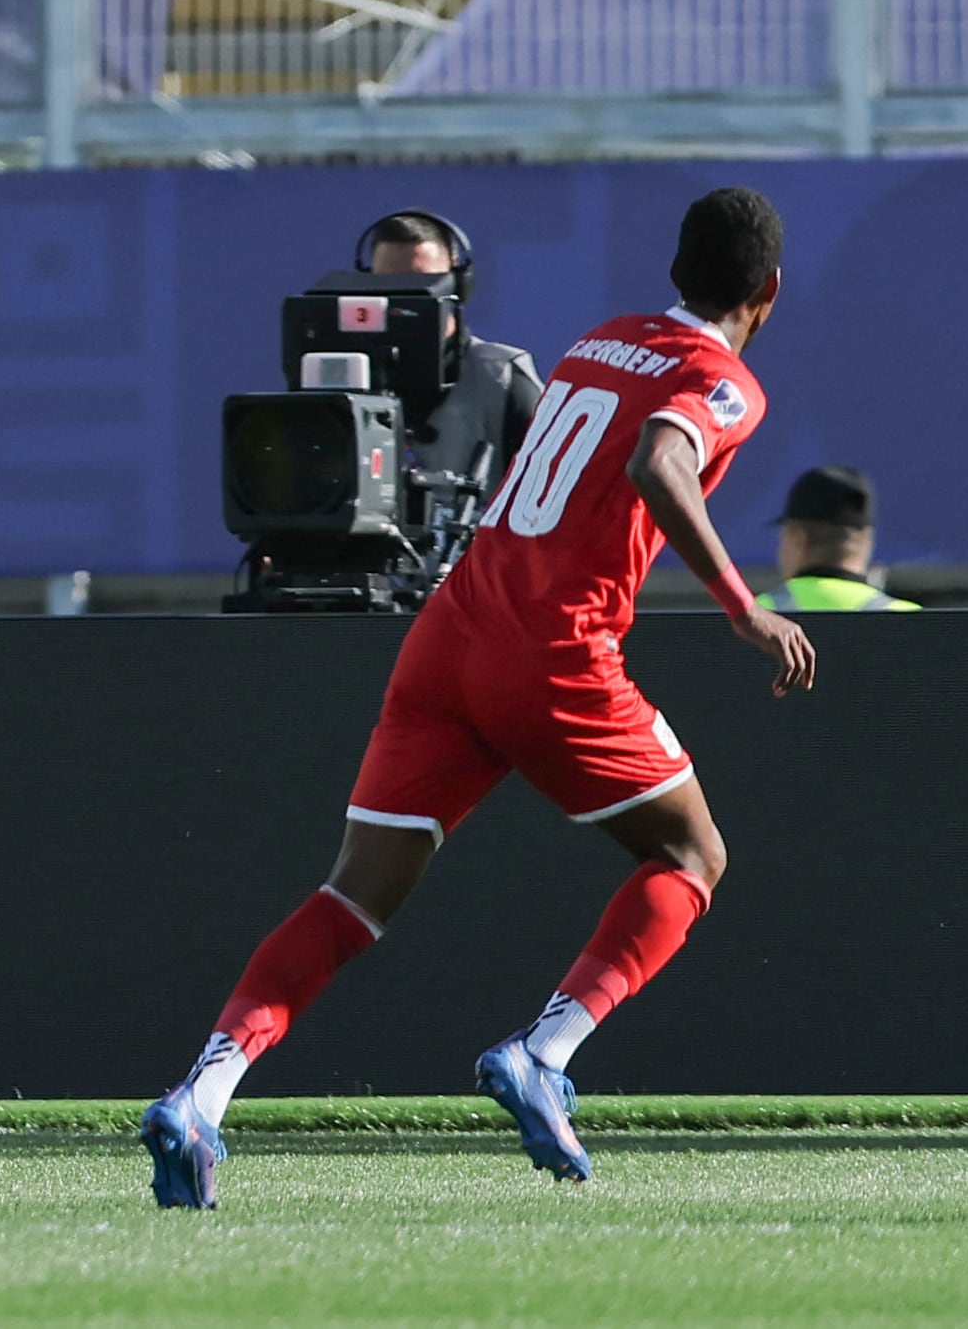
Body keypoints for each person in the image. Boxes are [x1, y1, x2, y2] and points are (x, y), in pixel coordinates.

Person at [143, 187, 815, 1208]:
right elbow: (657, 457)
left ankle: (203, 1094)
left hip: (447, 636)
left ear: (674, 271)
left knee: (351, 893)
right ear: (766, 291)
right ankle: (543, 1051)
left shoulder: (601, 341)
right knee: (689, 854)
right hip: (552, 652)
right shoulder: (722, 379)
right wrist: (740, 602)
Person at [363, 210, 543, 486]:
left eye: (423, 284)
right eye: (386, 284)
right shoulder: (343, 377)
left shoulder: (503, 381)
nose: (404, 299)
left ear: (460, 285)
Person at [755, 466, 919, 613]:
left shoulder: (753, 619)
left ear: (799, 539)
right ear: (868, 542)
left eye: (782, 536)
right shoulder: (915, 622)